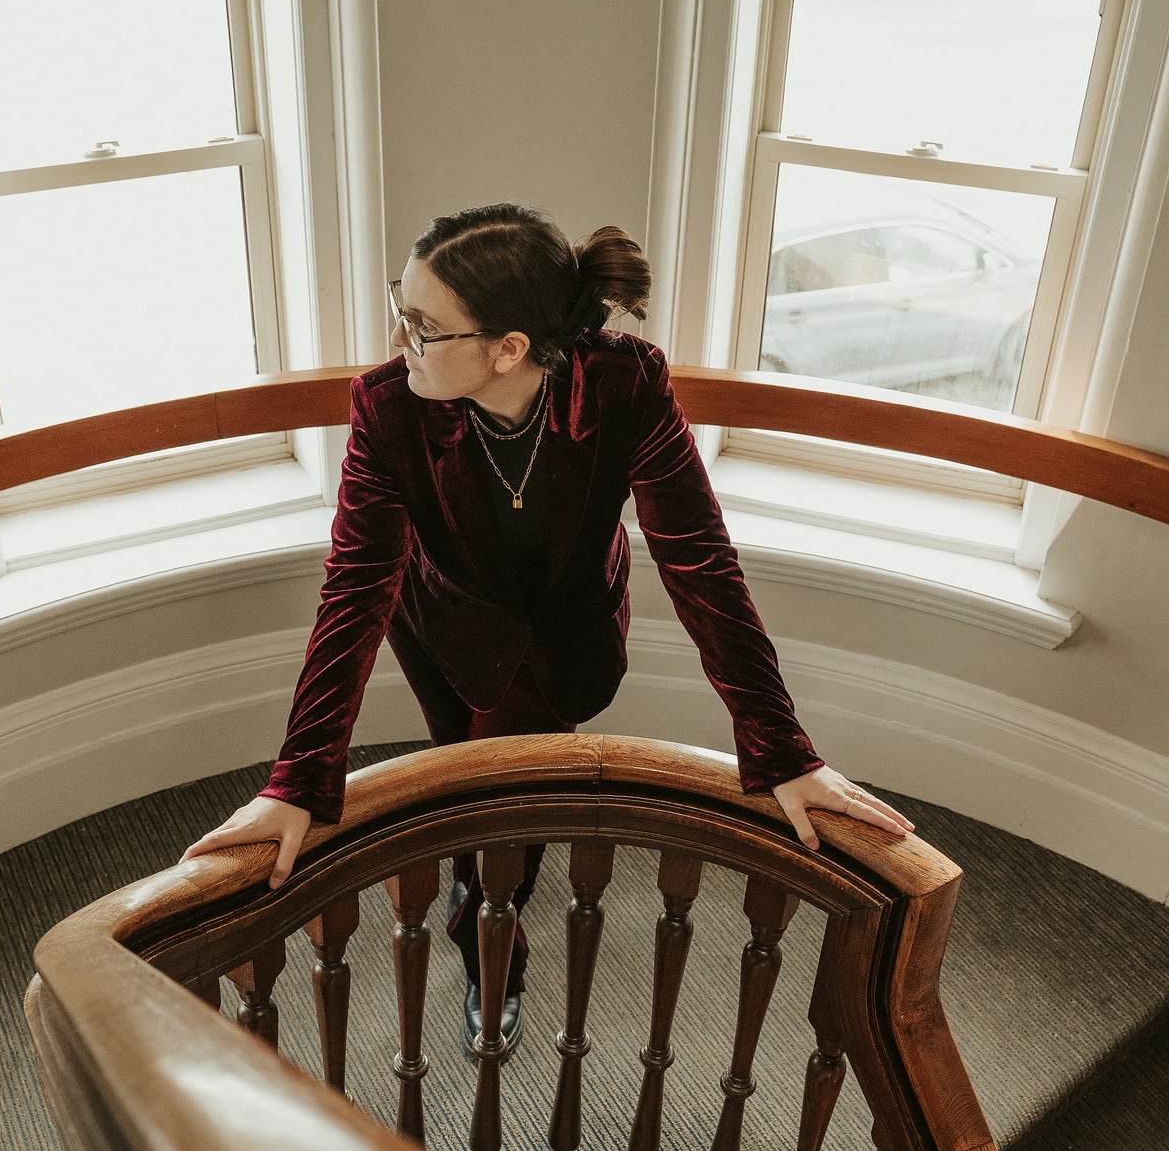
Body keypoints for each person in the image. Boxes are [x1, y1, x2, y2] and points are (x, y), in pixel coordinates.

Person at [183, 202, 911, 1056]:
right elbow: (354, 584)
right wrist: (299, 779)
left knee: (496, 819)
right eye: (400, 307)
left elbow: (700, 562)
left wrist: (780, 749)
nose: (397, 339)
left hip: (561, 643)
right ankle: (472, 893)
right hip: (442, 627)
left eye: (422, 325)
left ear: (508, 348)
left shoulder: (623, 384)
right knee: (459, 765)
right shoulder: (388, 407)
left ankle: (493, 958)